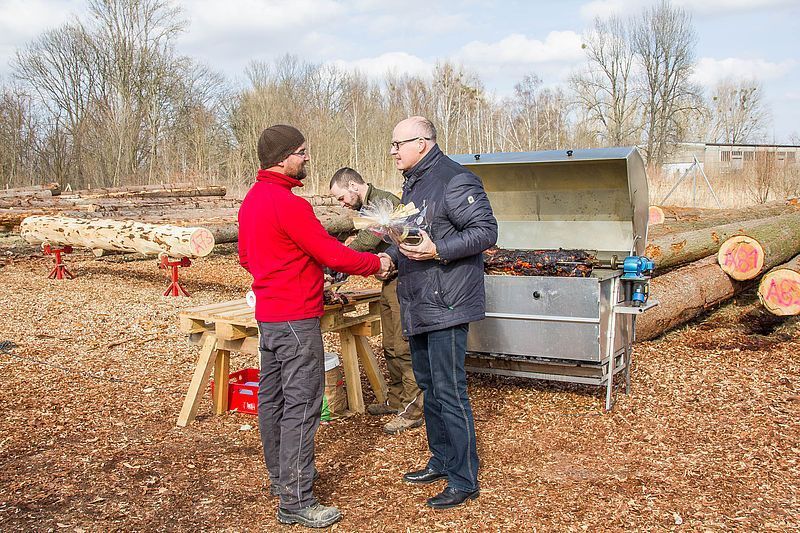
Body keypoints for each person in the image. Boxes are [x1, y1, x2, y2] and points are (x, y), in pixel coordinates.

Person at [238, 124, 391, 529]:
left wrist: (284, 272)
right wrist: (376, 263)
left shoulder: (252, 200)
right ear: (282, 158)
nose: (306, 158)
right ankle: (297, 500)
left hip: (269, 317)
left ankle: (282, 479)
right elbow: (332, 254)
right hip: (295, 318)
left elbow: (246, 257)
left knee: (273, 401)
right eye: (302, 152)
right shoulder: (289, 204)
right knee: (303, 405)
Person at [383, 116, 498, 510]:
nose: (393, 151)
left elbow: (486, 231)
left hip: (447, 302)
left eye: (398, 144)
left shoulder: (454, 179)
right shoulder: (414, 184)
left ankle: (464, 479)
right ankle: (442, 460)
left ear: (422, 143)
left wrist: (439, 250)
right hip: (418, 301)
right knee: (429, 387)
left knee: (449, 390)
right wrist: (389, 256)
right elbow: (411, 234)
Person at [329, 167, 424, 435]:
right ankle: (396, 400)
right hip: (389, 281)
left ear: (353, 186)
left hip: (405, 279)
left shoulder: (382, 202)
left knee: (403, 345)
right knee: (389, 344)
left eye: (341, 197)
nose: (342, 204)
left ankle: (413, 410)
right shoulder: (368, 205)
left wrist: (338, 258)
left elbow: (369, 239)